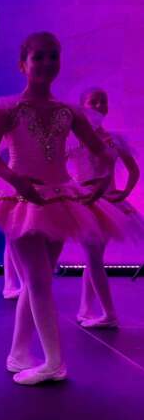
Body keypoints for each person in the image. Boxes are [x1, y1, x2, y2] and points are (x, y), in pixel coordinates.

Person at [0, 32, 127, 385]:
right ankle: (54, 361)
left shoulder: (68, 111)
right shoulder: (8, 108)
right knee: (38, 279)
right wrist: (15, 180)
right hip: (22, 200)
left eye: (53, 56)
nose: (46, 63)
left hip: (60, 199)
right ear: (23, 64)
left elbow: (103, 151)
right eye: (39, 57)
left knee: (38, 279)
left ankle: (19, 352)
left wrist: (104, 181)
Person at [69, 87, 143, 328]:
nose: (99, 105)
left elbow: (133, 170)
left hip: (109, 204)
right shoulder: (73, 139)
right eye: (94, 101)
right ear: (82, 106)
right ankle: (85, 308)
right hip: (84, 201)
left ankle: (109, 314)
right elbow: (59, 166)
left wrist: (125, 192)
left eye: (103, 101)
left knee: (94, 257)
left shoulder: (113, 139)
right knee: (93, 257)